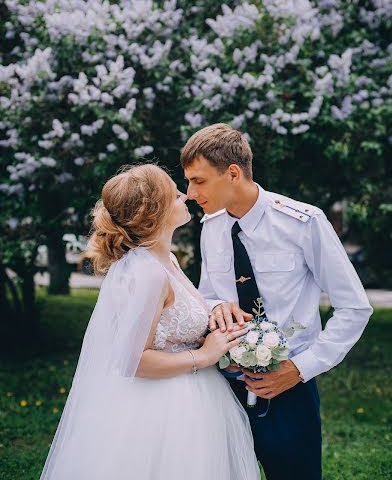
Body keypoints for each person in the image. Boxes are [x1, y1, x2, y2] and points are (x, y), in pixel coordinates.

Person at [39, 163, 260, 480]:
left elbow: (175, 326)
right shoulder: (148, 274)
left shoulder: (165, 260)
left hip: (196, 394)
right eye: (174, 194)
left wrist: (224, 340)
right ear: (154, 212)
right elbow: (134, 361)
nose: (184, 195)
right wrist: (206, 355)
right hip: (163, 407)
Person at [181, 123, 373, 480]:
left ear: (233, 173)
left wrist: (300, 369)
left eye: (199, 181)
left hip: (290, 389)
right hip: (221, 388)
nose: (190, 193)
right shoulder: (211, 225)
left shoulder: (303, 223)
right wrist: (213, 307)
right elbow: (207, 292)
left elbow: (355, 307)